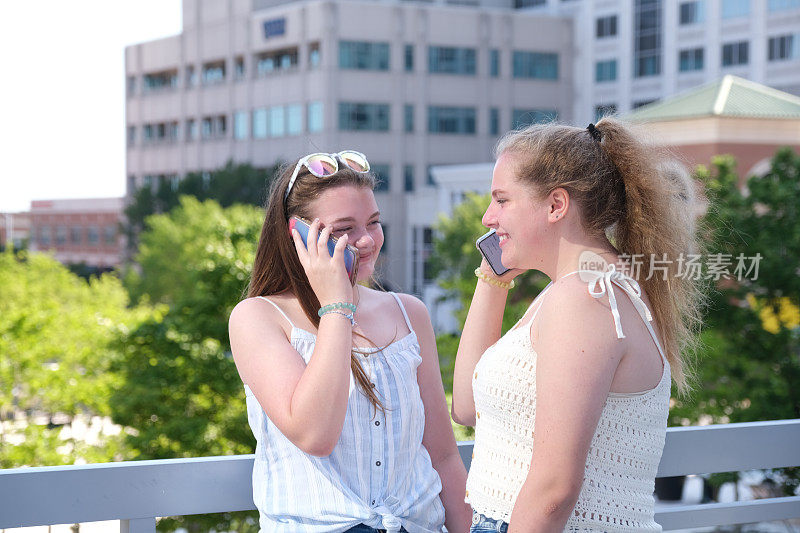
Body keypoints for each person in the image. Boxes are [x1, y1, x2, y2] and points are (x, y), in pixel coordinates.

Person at [451, 118, 703, 531]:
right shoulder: (577, 291)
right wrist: (493, 278)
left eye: (501, 200)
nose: (487, 218)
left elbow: (554, 488)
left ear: (556, 205)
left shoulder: (585, 298)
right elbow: (467, 407)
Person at [229, 151, 472, 532]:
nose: (366, 240)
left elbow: (442, 456)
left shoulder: (409, 312)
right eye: (343, 229)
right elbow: (315, 434)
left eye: (373, 223)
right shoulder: (258, 317)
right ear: (299, 234)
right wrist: (337, 307)